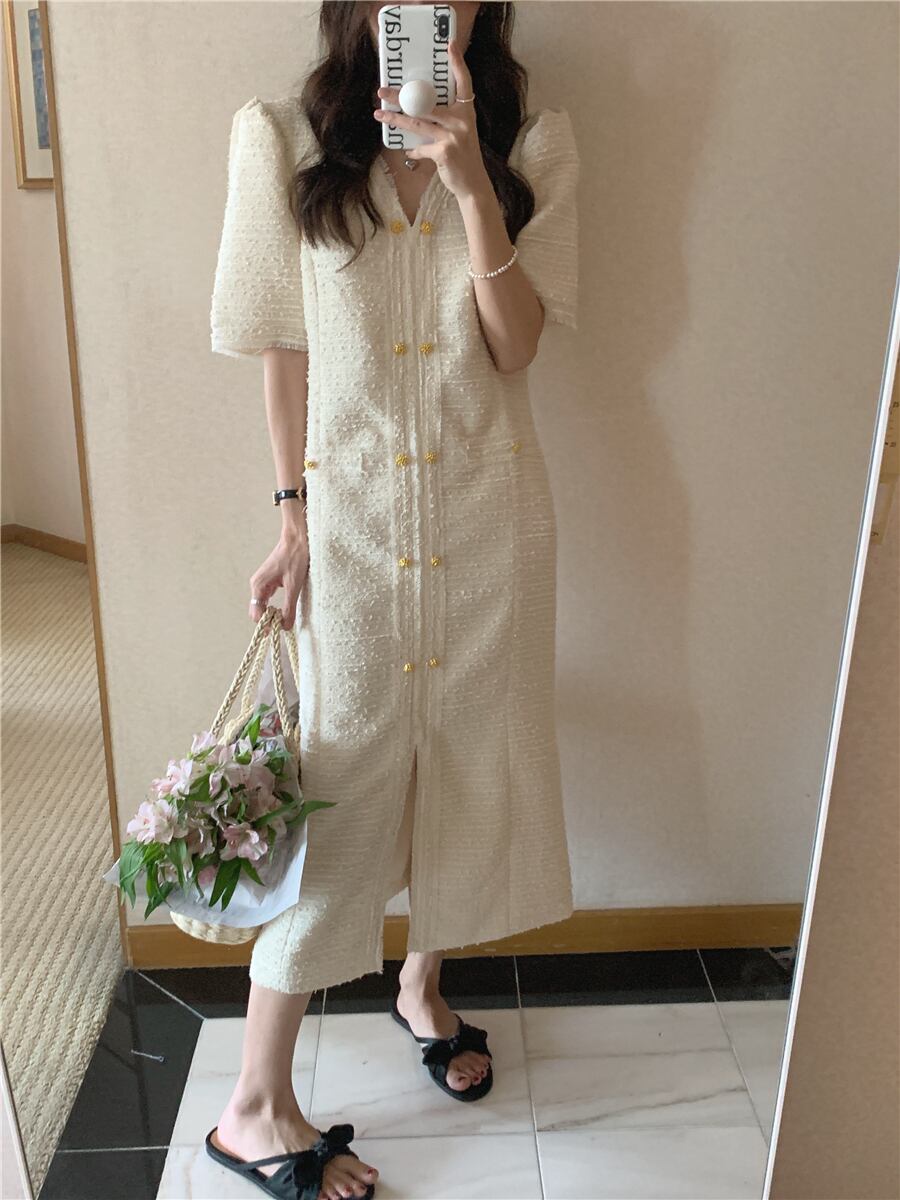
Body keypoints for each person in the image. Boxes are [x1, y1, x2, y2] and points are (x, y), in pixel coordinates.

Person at [206, 2, 579, 1197]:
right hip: (353, 532)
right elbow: (282, 347)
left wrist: (471, 187)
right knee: (343, 780)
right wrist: (291, 518)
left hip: (489, 523)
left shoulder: (534, 144)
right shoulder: (282, 140)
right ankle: (253, 1107)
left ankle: (423, 985)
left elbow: (517, 347)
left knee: (467, 756)